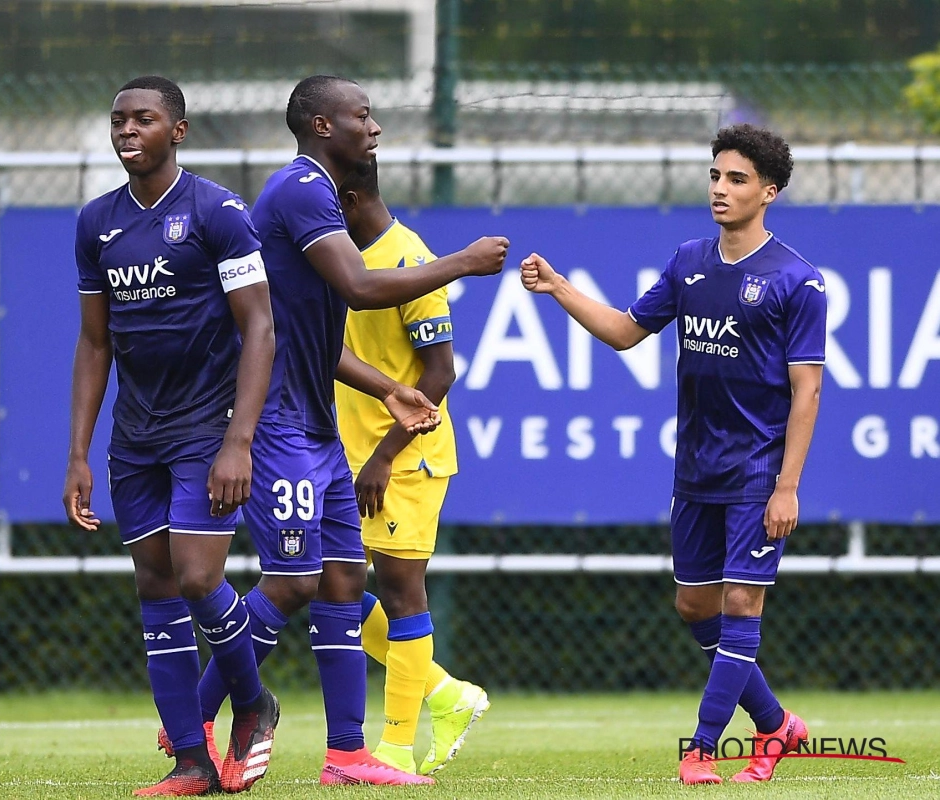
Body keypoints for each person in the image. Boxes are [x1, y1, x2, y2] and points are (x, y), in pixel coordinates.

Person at [166, 74, 508, 787]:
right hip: (279, 421)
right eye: (363, 114)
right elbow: (356, 287)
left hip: (317, 425)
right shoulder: (300, 190)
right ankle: (195, 720)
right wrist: (465, 262)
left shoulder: (318, 195)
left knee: (345, 581)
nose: (375, 126)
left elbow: (318, 335)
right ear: (323, 126)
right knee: (293, 583)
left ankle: (349, 755)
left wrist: (388, 389)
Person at [519, 124, 824, 785]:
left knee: (742, 606)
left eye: (737, 178)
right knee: (695, 608)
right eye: (715, 175)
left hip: (756, 474)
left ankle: (702, 749)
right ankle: (777, 728)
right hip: (695, 471)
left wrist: (787, 485)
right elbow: (627, 332)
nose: (720, 187)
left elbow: (808, 391)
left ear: (768, 192)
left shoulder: (797, 281)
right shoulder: (689, 260)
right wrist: (560, 287)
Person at [62, 75, 280, 797]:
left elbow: (260, 326)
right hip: (136, 437)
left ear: (177, 131)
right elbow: (96, 345)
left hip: (206, 427)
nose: (127, 131)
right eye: (118, 119)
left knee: (197, 576)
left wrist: (239, 441)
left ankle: (252, 702)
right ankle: (190, 761)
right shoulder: (96, 223)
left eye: (143, 120)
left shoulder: (218, 211)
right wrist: (78, 455)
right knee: (154, 583)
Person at [334, 158, 490, 776]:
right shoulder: (337, 260)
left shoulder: (409, 261)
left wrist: (382, 455)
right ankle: (447, 693)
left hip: (404, 461)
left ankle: (395, 746)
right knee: (331, 587)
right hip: (346, 453)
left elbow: (439, 372)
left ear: (344, 199)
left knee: (401, 593)